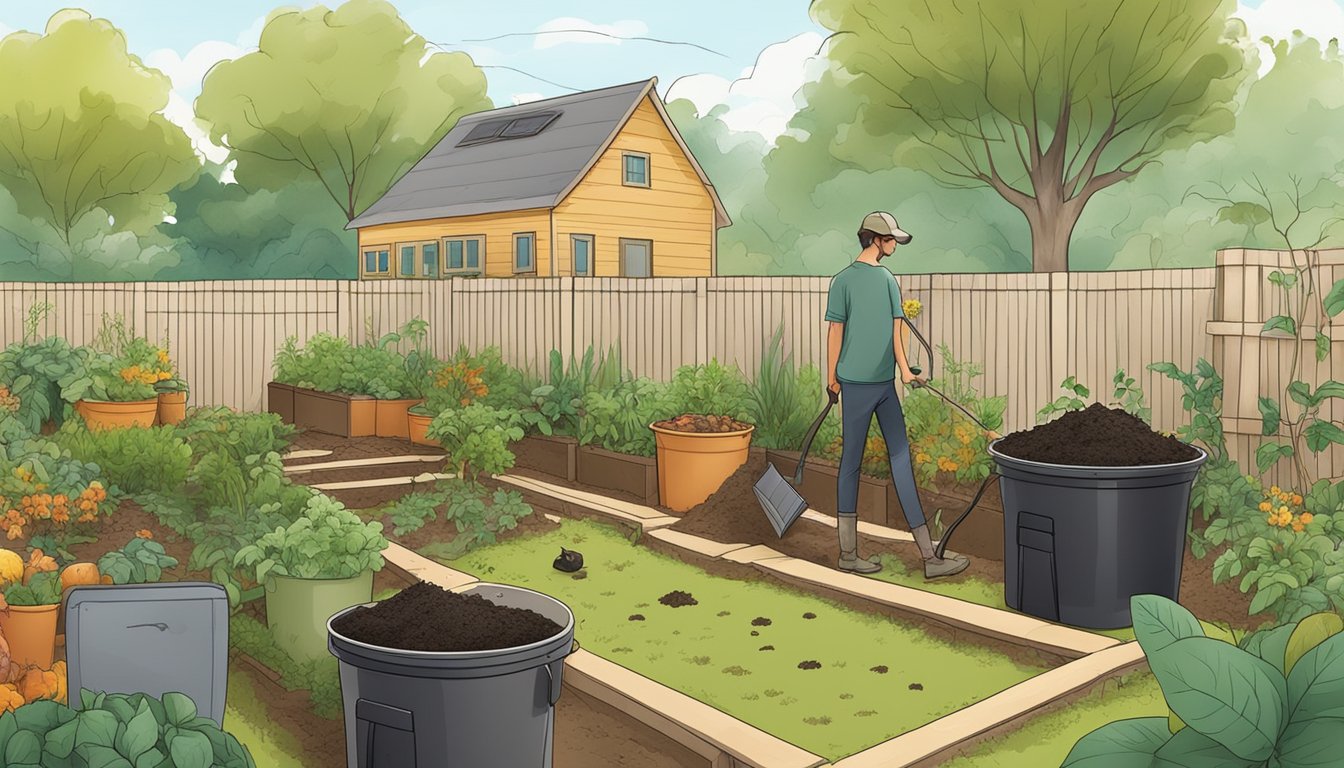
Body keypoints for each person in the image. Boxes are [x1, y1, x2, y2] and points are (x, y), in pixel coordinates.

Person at [824, 212, 970, 578]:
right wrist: (833, 378)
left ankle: (929, 557)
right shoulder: (849, 281)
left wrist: (903, 370)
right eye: (890, 240)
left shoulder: (881, 279)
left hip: (882, 386)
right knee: (857, 464)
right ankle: (849, 553)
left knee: (887, 461)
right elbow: (836, 333)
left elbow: (895, 331)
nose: (893, 246)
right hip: (861, 386)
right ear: (874, 239)